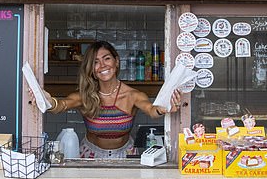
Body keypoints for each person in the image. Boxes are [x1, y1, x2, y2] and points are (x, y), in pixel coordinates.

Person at [32, 40, 181, 159]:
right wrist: (47, 100)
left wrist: (163, 108)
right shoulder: (85, 95)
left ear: (116, 61)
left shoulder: (132, 95)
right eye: (96, 62)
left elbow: (151, 110)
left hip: (126, 154)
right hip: (90, 154)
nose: (102, 65)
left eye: (106, 59)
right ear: (91, 69)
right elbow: (61, 105)